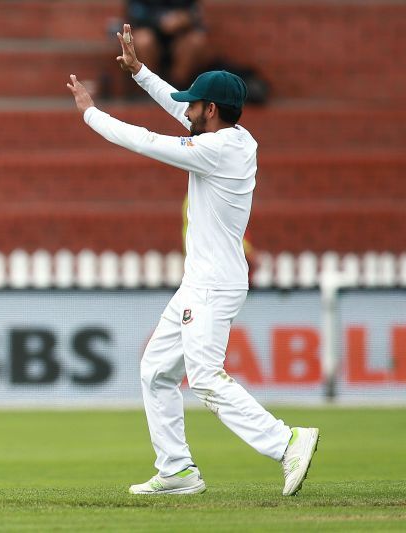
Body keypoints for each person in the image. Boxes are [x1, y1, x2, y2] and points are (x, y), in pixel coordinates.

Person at [66, 24, 319, 496]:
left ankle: (286, 442)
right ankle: (177, 471)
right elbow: (178, 109)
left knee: (204, 377)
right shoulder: (233, 138)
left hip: (212, 285)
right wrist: (141, 73)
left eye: (196, 105)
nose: (188, 110)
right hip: (201, 282)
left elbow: (146, 141)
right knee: (156, 372)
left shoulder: (217, 150)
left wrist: (91, 115)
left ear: (212, 110)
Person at [126, 0, 211, 90]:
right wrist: (161, 20)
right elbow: (135, 13)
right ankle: (151, 87)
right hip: (151, 31)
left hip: (181, 34)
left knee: (195, 40)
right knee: (143, 41)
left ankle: (177, 87)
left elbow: (196, 12)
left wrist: (184, 18)